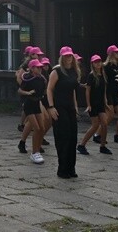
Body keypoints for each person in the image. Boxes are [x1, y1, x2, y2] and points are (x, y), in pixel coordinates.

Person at [46, 46, 81, 179]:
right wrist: (51, 107)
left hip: (70, 107)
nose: (68, 58)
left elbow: (72, 91)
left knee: (73, 138)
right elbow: (49, 89)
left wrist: (76, 107)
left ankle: (71, 168)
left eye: (70, 56)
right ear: (62, 57)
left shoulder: (74, 71)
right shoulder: (56, 71)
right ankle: (62, 169)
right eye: (66, 56)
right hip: (59, 107)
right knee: (63, 137)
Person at [78, 54, 112, 156]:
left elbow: (104, 89)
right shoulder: (91, 75)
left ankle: (102, 146)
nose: (98, 63)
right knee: (95, 125)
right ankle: (81, 145)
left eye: (99, 61)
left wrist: (105, 101)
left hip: (101, 103)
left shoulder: (103, 74)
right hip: (93, 104)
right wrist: (88, 105)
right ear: (92, 64)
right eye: (96, 62)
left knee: (105, 124)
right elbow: (88, 91)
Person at [17, 58, 47, 163]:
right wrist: (28, 93)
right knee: (37, 128)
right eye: (37, 67)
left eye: (40, 67)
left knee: (42, 128)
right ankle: (34, 152)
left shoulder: (41, 79)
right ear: (31, 68)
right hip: (29, 104)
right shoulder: (27, 78)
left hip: (37, 104)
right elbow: (20, 90)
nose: (40, 69)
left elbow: (44, 92)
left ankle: (37, 149)